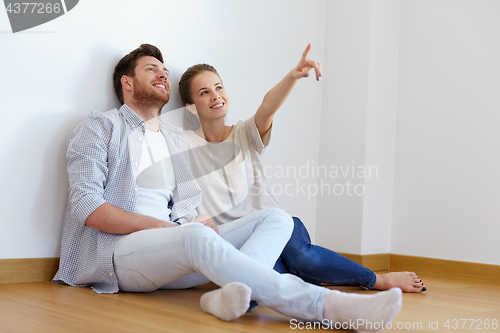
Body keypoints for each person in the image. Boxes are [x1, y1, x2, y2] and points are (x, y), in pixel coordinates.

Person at [53, 43, 403, 329]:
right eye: (150, 69)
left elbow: (187, 206)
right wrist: (174, 228)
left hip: (172, 253)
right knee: (194, 235)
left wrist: (195, 221)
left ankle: (232, 294)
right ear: (127, 84)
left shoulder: (174, 138)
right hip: (120, 255)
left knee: (276, 219)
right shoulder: (101, 126)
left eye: (163, 69)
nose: (162, 73)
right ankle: (328, 307)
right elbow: (86, 206)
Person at [180, 44, 426, 293]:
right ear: (190, 107)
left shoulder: (245, 133)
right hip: (238, 239)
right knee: (268, 279)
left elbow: (268, 106)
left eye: (219, 87)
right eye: (204, 92)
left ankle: (376, 279)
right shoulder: (184, 145)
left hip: (277, 225)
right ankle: (319, 281)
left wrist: (293, 75)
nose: (216, 95)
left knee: (302, 258)